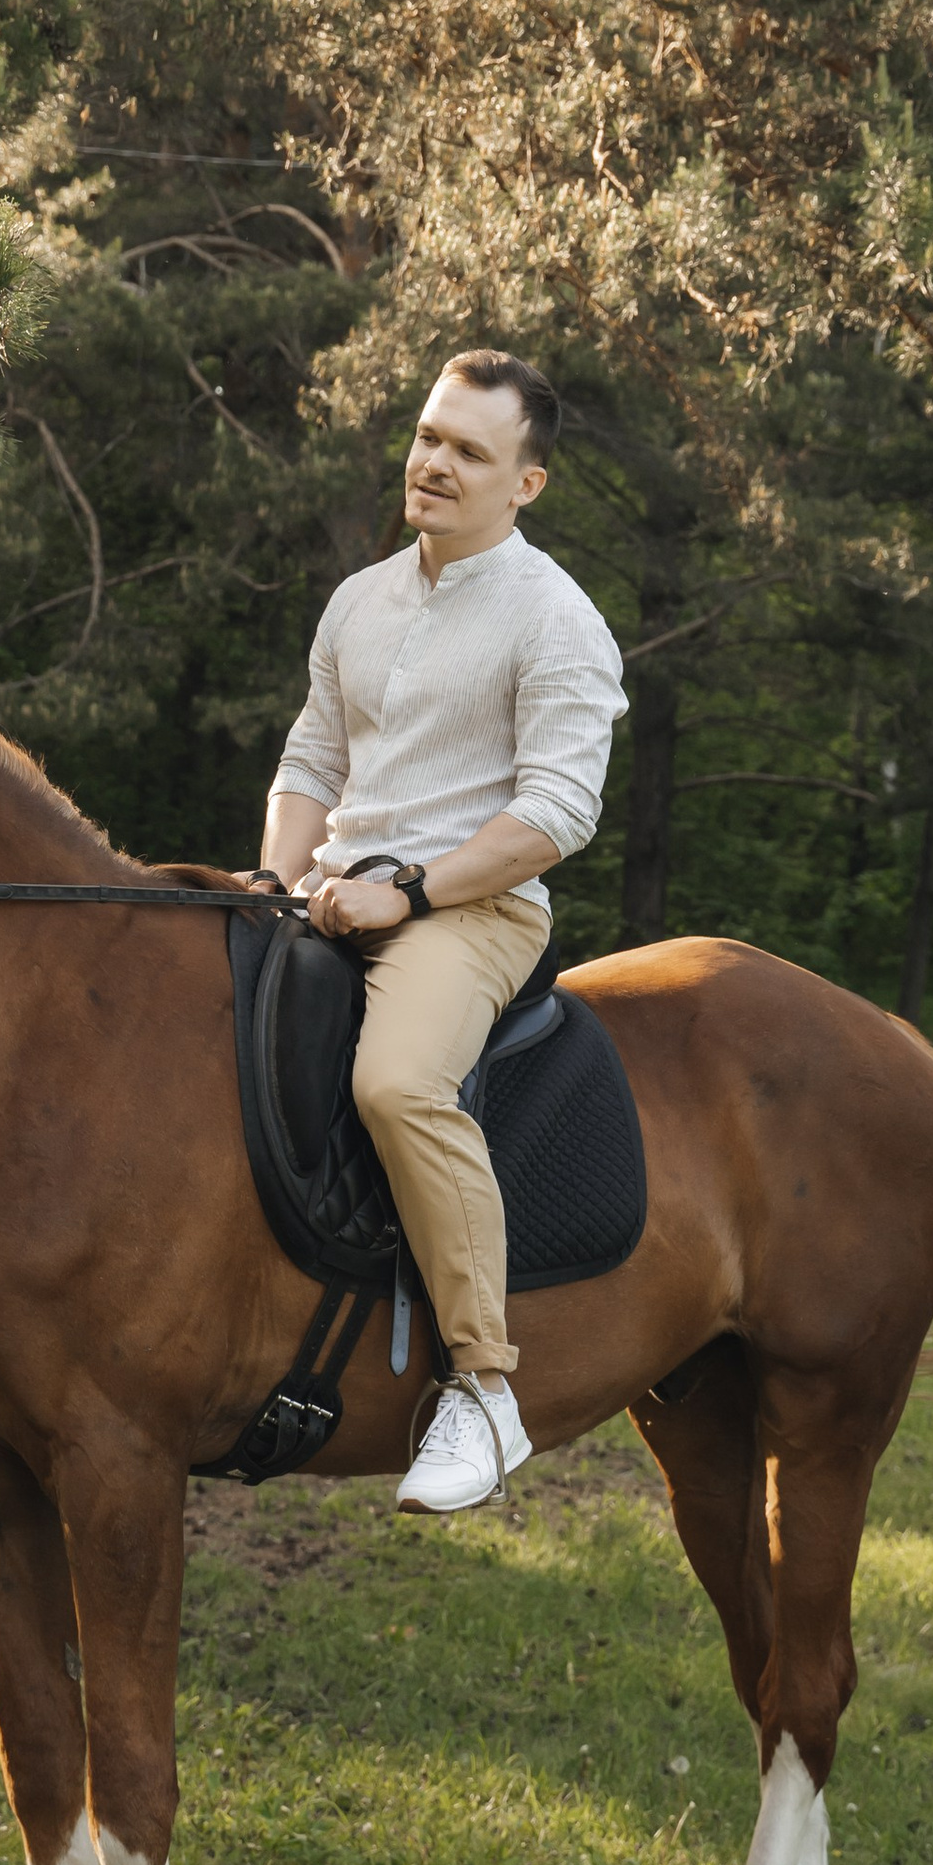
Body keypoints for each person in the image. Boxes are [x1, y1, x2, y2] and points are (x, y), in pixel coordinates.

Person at [253, 351, 626, 1514]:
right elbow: (312, 759)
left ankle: (483, 1386)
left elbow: (557, 813)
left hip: (469, 912)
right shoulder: (358, 598)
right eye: (428, 436)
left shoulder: (557, 618)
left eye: (470, 450)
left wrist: (407, 893)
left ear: (526, 484)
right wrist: (269, 883)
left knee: (401, 1084)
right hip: (324, 890)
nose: (433, 463)